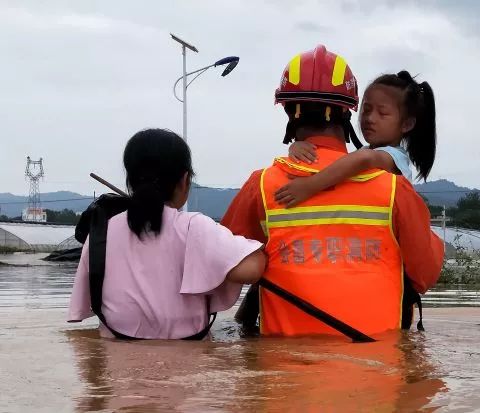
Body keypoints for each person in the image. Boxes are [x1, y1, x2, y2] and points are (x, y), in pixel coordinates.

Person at [221, 45, 444, 338]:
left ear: (288, 112)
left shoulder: (262, 185)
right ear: (348, 112)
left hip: (284, 372)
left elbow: (220, 261)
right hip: (377, 371)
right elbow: (423, 276)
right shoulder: (393, 186)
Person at [68, 128, 266, 339]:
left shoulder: (100, 234)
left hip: (115, 364)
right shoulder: (194, 227)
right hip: (188, 364)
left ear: (131, 180)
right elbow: (251, 270)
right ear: (185, 180)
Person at [275, 70, 436, 208]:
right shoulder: (366, 152)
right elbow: (343, 164)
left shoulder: (393, 157)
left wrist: (310, 185)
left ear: (406, 124)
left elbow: (363, 159)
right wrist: (297, 145)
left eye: (382, 113)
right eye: (366, 110)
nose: (370, 118)